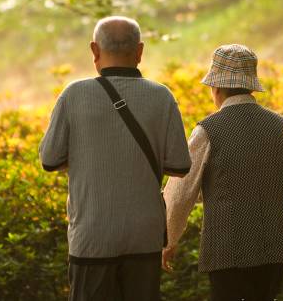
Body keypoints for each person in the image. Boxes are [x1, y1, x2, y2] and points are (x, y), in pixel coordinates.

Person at [39, 16, 192, 301]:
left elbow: (50, 159)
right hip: (144, 236)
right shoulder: (162, 97)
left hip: (92, 236)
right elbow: (180, 165)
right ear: (140, 51)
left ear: (95, 50)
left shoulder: (74, 95)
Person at [162, 44, 283, 301]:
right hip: (276, 248)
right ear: (251, 86)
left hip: (227, 249)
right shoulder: (282, 127)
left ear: (216, 88)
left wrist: (168, 241)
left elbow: (178, 194)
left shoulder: (208, 130)